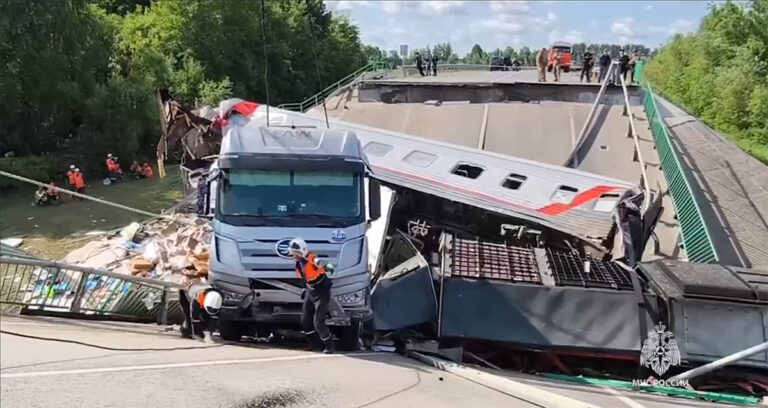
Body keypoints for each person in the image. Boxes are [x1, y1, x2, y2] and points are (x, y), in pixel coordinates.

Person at [289, 238, 336, 354]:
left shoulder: (311, 258)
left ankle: (329, 345)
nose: (294, 255)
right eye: (292, 252)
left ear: (303, 251)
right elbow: (305, 279)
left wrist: (325, 265)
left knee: (318, 321)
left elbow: (319, 262)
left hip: (322, 292)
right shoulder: (299, 263)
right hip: (311, 291)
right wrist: (305, 289)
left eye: (296, 252)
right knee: (305, 321)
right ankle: (316, 345)